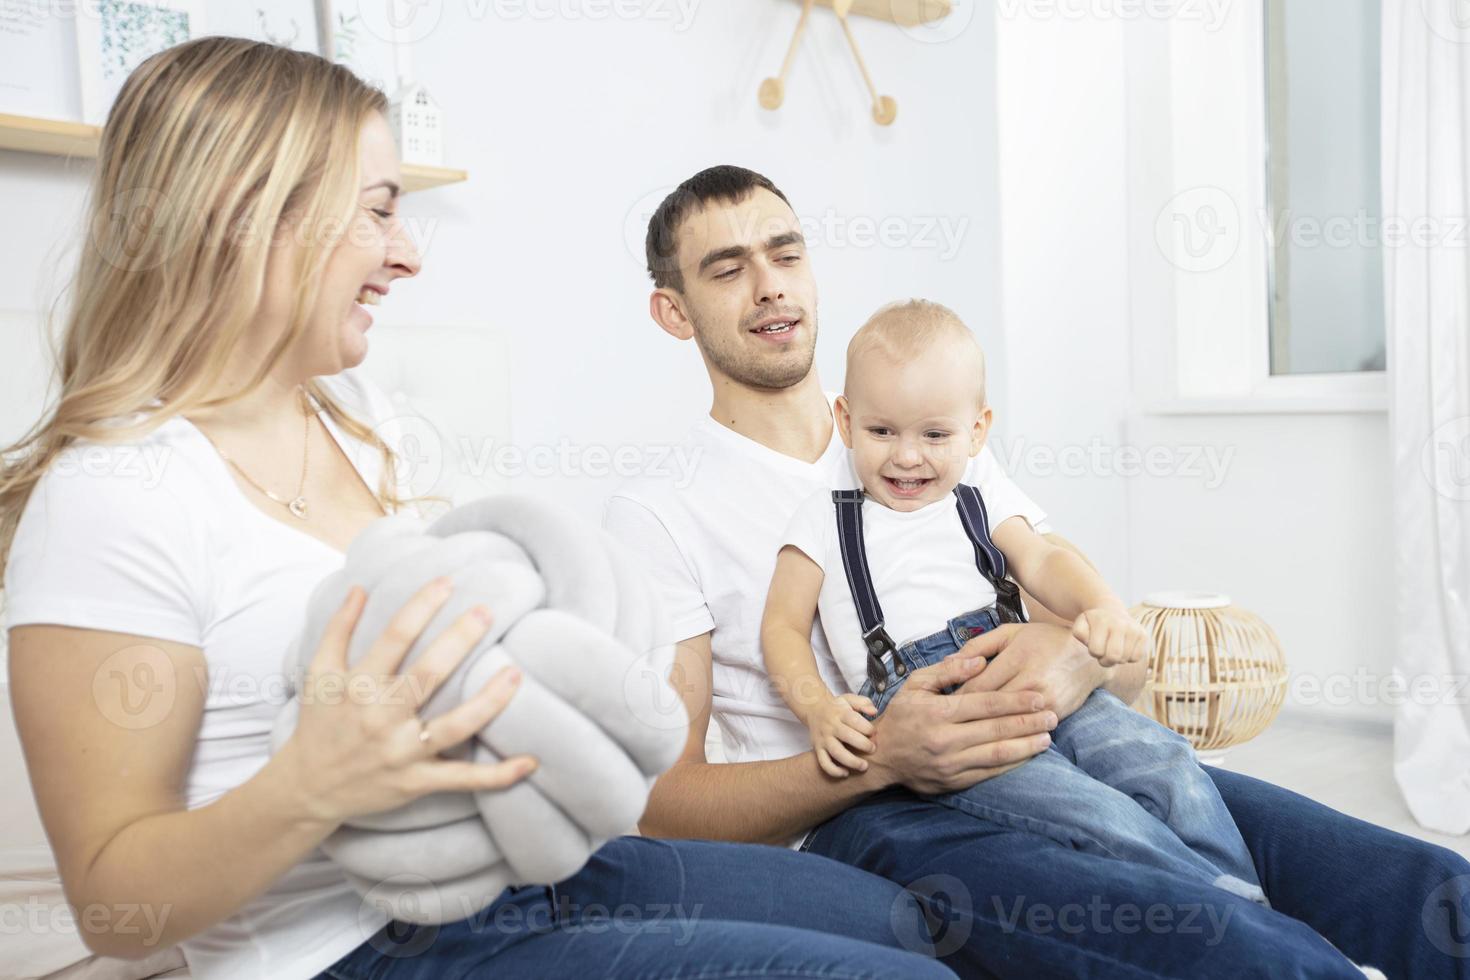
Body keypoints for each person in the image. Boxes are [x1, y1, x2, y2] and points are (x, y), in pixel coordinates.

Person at [0, 41, 953, 980]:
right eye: (378, 213)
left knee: (908, 926)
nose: (407, 256)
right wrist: (310, 787)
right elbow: (113, 904)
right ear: (251, 216)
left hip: (516, 873)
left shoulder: (358, 424)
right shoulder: (111, 496)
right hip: (343, 949)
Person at [603, 163, 1470, 978]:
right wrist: (877, 760)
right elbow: (661, 806)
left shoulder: (922, 434)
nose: (771, 285)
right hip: (869, 816)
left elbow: (1119, 657)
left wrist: (1074, 658)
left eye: (785, 252)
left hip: (1048, 742)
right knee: (1225, 938)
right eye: (727, 269)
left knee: (1412, 879)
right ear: (673, 313)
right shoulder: (660, 514)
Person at [761, 298, 1266, 906]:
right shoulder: (823, 517)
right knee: (1092, 814)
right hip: (944, 708)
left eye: (935, 434)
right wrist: (818, 708)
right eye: (881, 431)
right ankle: (1240, 925)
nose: (907, 455)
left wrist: (1102, 607)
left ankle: (1251, 909)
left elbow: (1043, 559)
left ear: (977, 431)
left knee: (1166, 763)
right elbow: (783, 629)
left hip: (1031, 668)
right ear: (845, 421)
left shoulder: (980, 497)